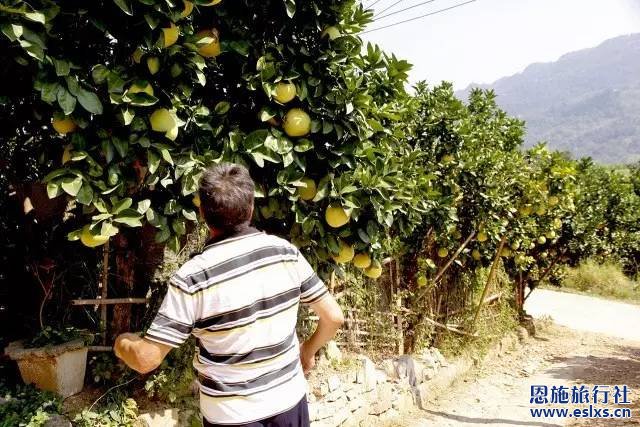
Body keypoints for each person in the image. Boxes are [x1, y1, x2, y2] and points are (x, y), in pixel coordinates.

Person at [114, 163, 344, 427]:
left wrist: (122, 343)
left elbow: (146, 359)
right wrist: (308, 351)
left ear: (202, 213)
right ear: (251, 207)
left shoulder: (193, 277)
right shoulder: (284, 253)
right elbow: (333, 317)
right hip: (289, 402)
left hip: (231, 416)